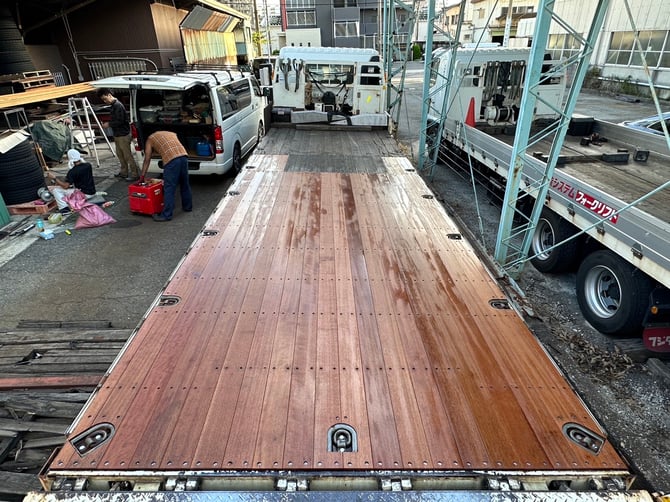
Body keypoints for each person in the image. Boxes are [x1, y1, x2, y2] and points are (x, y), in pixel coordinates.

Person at [139, 131, 192, 222]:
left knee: (169, 187)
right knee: (185, 184)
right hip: (183, 157)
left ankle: (166, 215)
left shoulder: (150, 139)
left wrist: (142, 176)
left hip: (172, 161)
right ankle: (188, 207)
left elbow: (147, 159)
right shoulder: (171, 133)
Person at [97, 88, 140, 181]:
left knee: (127, 155)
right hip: (117, 134)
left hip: (123, 134)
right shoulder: (114, 105)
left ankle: (135, 174)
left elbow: (120, 121)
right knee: (120, 155)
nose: (105, 101)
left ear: (109, 95)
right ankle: (124, 172)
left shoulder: (118, 105)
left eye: (105, 99)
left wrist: (109, 124)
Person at [47, 149, 100, 214]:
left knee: (56, 190)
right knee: (64, 188)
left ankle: (64, 209)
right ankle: (69, 203)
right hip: (92, 192)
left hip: (84, 195)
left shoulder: (72, 171)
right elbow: (80, 179)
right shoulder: (88, 165)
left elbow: (65, 186)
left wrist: (54, 178)